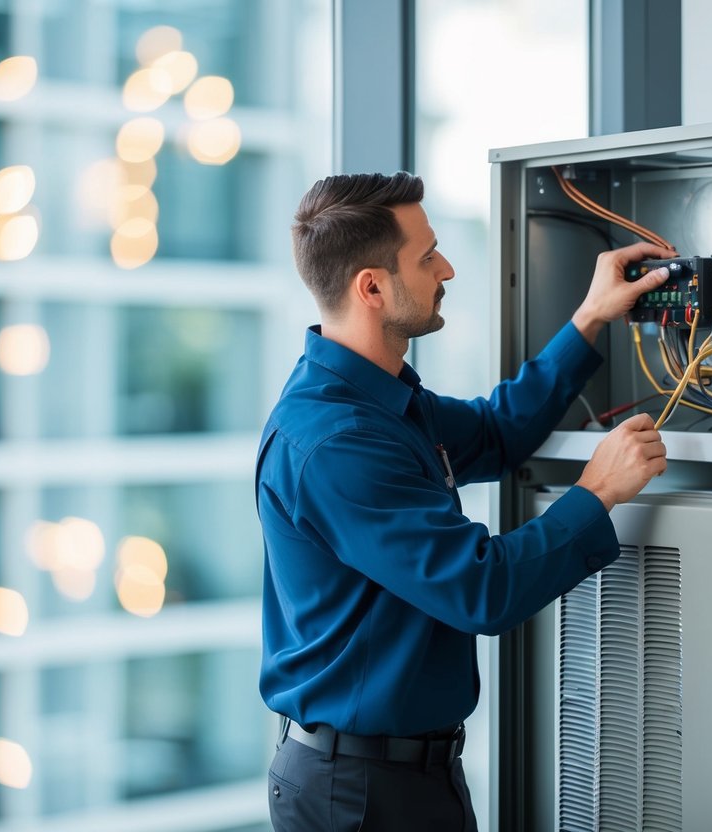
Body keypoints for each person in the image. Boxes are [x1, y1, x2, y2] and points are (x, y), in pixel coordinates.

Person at [255, 171, 673, 830]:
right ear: (371, 287)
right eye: (426, 257)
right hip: (358, 794)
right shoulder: (337, 441)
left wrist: (589, 317)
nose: (445, 268)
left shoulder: (382, 402)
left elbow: (495, 432)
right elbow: (477, 589)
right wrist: (598, 491)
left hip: (405, 774)